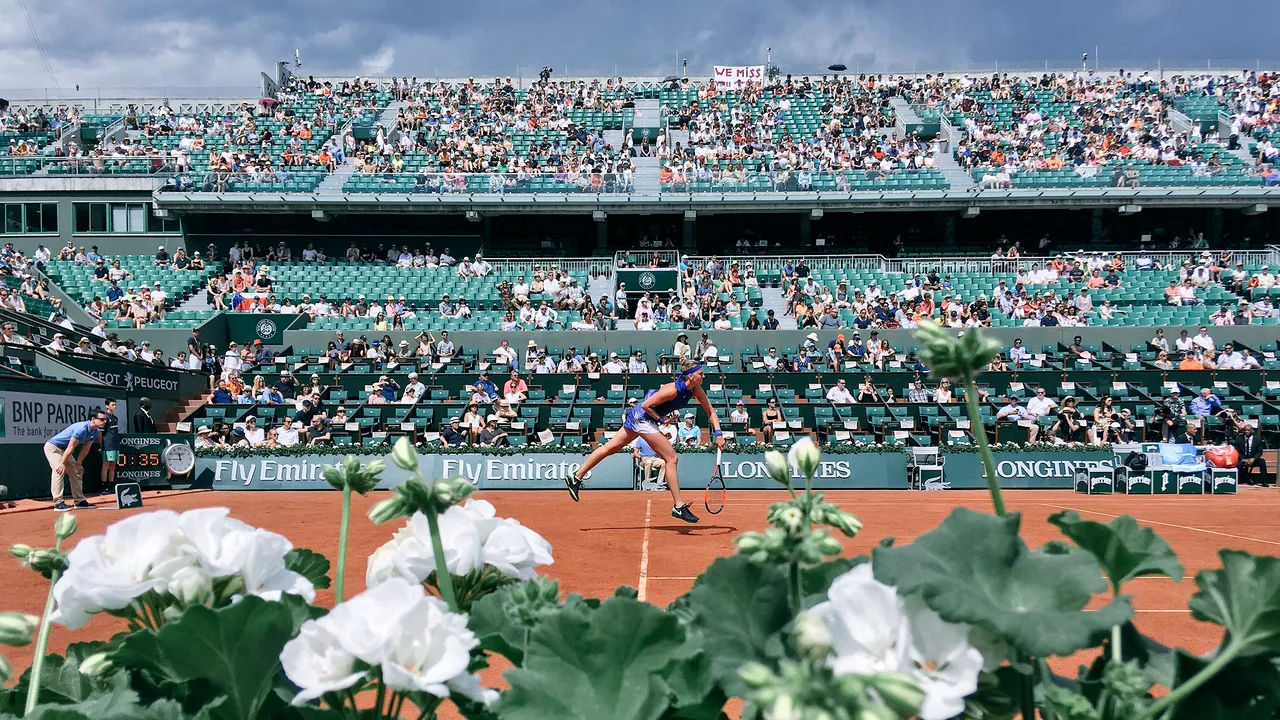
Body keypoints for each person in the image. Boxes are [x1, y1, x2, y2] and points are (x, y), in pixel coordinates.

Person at [564, 359, 725, 523]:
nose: (703, 375)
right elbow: (646, 405)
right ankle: (679, 506)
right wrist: (662, 421)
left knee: (609, 448)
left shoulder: (695, 389)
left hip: (639, 417)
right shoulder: (673, 390)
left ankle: (576, 477)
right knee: (671, 458)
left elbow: (710, 411)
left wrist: (719, 433)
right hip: (642, 418)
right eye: (700, 373)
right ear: (690, 376)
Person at [46, 410, 108, 511]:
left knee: (76, 472)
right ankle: (58, 503)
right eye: (102, 419)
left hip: (64, 450)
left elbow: (86, 448)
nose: (104, 421)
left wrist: (79, 463)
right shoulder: (81, 429)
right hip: (53, 448)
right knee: (59, 471)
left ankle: (79, 501)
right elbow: (71, 446)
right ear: (93, 419)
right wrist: (62, 463)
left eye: (105, 419)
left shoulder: (96, 431)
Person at [100, 398, 122, 496]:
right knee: (106, 465)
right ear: (107, 406)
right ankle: (104, 487)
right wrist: (101, 445)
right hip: (107, 445)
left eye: (115, 405)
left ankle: (111, 485)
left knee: (113, 465)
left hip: (115, 445)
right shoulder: (104, 418)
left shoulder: (115, 418)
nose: (115, 406)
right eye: (113, 405)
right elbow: (100, 434)